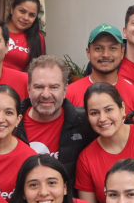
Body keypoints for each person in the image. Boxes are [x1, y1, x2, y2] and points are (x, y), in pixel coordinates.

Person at [16, 55, 97, 183]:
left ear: (65, 90)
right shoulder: (11, 124)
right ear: (28, 89)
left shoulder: (84, 122)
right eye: (39, 87)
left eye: (54, 87)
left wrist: (132, 117)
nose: (46, 94)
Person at [66, 24, 134, 112]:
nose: (105, 54)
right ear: (88, 53)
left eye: (112, 48)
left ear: (122, 53)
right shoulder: (69, 94)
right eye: (98, 48)